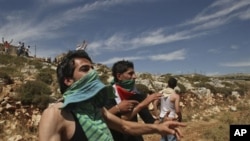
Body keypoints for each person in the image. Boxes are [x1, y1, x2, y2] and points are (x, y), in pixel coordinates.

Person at [38, 50, 186, 141]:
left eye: (93, 68)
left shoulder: (95, 108)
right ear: (68, 80)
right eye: (85, 69)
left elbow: (125, 126)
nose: (93, 73)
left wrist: (158, 128)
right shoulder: (55, 114)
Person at [105, 60, 163, 141]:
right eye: (130, 73)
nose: (134, 76)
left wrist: (162, 123)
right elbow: (116, 121)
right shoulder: (108, 94)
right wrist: (141, 105)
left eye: (134, 73)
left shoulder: (137, 94)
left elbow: (149, 121)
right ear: (119, 76)